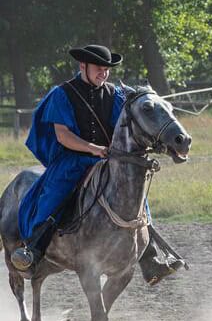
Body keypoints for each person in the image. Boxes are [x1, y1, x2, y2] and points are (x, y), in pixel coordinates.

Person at [12, 44, 185, 284]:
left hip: (110, 157)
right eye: (98, 68)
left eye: (106, 69)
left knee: (136, 196)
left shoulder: (116, 95)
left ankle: (149, 258)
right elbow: (62, 135)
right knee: (57, 195)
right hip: (73, 159)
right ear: (83, 66)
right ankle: (35, 249)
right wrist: (92, 149)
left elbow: (129, 127)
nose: (103, 73)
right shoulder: (63, 94)